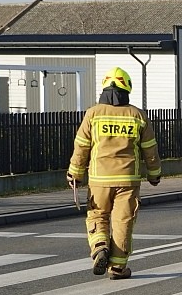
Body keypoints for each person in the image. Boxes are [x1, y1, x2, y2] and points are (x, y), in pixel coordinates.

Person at [67, 67, 161, 280]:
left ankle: (100, 247)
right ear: (127, 87)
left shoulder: (93, 114)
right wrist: (154, 174)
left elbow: (81, 146)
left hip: (99, 179)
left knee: (97, 215)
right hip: (128, 179)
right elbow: (150, 149)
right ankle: (117, 268)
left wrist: (75, 173)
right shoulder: (137, 115)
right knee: (122, 222)